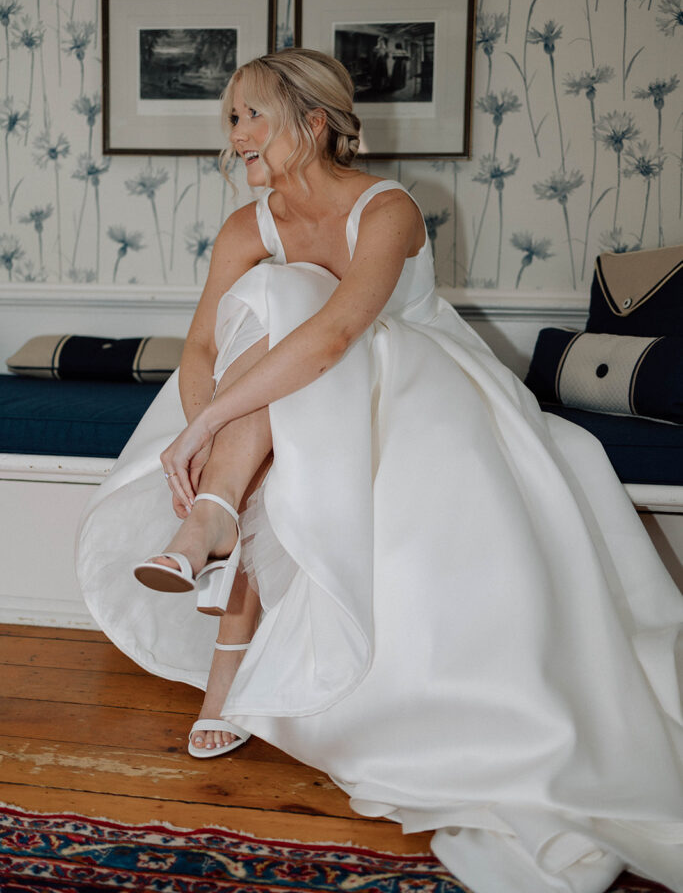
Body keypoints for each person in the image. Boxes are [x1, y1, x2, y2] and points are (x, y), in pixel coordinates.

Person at [77, 48, 683, 893]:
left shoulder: (387, 207)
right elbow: (206, 346)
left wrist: (209, 426)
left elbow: (334, 336)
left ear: (314, 119)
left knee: (285, 308)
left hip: (411, 381)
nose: (235, 135)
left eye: (251, 113)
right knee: (266, 333)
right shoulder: (247, 227)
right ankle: (213, 517)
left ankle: (216, 546)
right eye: (230, 119)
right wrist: (196, 421)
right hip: (287, 401)